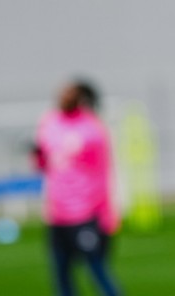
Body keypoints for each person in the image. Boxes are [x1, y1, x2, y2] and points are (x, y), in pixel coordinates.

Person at [33, 78, 121, 296]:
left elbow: (102, 173)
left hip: (84, 213)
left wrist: (106, 214)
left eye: (68, 92)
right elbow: (44, 164)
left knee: (97, 270)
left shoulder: (92, 130)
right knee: (61, 274)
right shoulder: (49, 122)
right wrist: (37, 156)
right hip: (57, 213)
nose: (62, 96)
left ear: (81, 98)